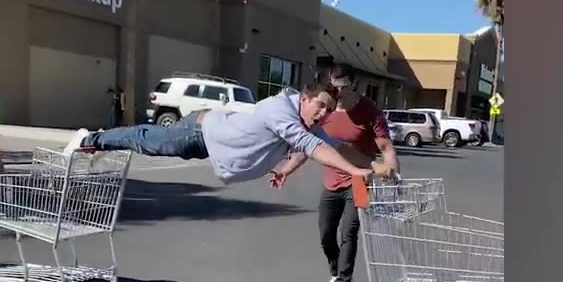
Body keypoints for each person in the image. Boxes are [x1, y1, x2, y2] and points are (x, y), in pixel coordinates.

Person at [60, 83, 390, 185]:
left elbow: (332, 145)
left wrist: (376, 166)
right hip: (199, 132)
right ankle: (90, 139)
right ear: (304, 98)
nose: (322, 115)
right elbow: (312, 146)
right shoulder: (280, 109)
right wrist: (356, 171)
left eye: (328, 111)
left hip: (212, 145)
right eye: (319, 106)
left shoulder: (302, 123)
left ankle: (96, 142)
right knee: (144, 141)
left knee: (147, 141)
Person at [269, 65, 399, 282]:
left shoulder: (370, 111)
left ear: (355, 85)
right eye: (336, 88)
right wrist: (285, 170)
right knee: (326, 234)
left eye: (345, 88)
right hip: (332, 180)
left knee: (348, 231)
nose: (341, 93)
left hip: (360, 180)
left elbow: (385, 147)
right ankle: (334, 273)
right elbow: (308, 146)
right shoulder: (326, 113)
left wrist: (395, 177)